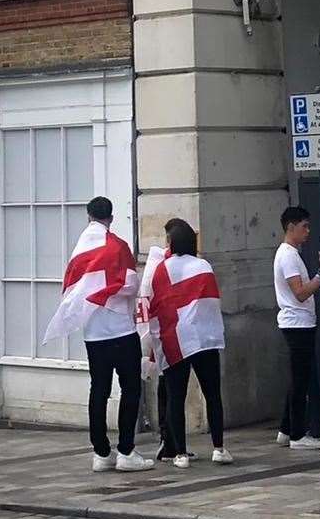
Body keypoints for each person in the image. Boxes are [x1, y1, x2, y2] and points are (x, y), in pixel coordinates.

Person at [44, 197, 153, 473]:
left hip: (94, 334)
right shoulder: (117, 247)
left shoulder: (80, 250)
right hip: (121, 329)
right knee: (130, 389)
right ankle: (126, 450)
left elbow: (72, 286)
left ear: (88, 216)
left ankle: (101, 452)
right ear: (111, 218)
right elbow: (130, 284)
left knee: (99, 390)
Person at [145, 220, 229, 468]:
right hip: (203, 338)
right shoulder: (203, 265)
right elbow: (211, 301)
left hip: (175, 338)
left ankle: (180, 452)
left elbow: (155, 304)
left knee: (175, 396)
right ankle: (219, 448)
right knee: (212, 394)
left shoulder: (161, 269)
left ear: (172, 243)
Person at [273, 207, 320, 451]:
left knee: (299, 376)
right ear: (291, 227)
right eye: (304, 226)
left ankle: (286, 429)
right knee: (300, 380)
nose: (307, 231)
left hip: (300, 322)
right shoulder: (288, 255)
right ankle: (297, 434)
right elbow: (299, 293)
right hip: (297, 323)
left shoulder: (291, 254)